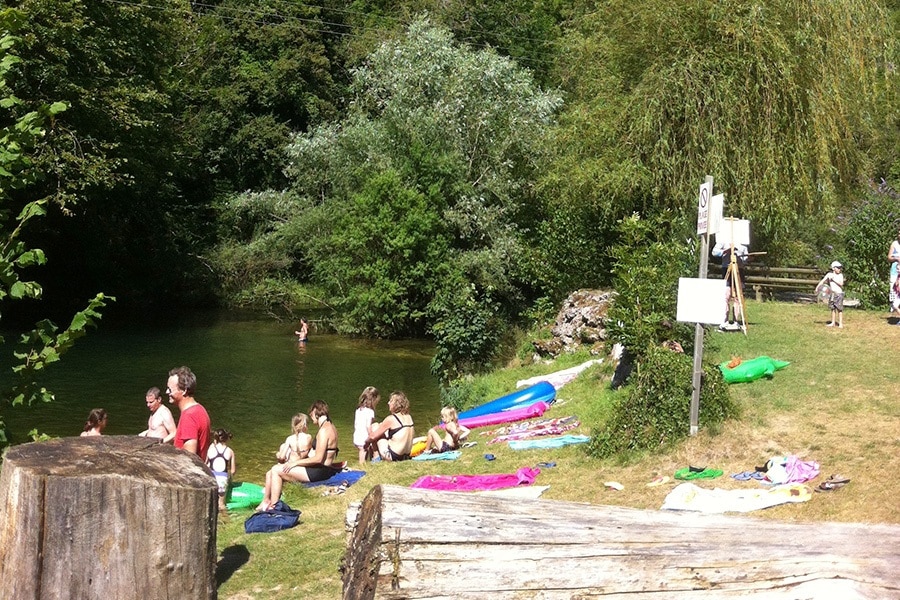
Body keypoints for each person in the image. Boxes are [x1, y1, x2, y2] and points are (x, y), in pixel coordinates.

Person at [256, 400, 341, 511]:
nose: (311, 418)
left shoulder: (324, 431)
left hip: (319, 472)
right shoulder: (330, 426)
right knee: (273, 471)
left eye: (311, 415)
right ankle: (267, 501)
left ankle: (274, 506)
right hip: (321, 469)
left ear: (316, 412)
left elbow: (319, 459)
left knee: (276, 470)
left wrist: (295, 463)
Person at [167, 366, 211, 458]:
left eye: (170, 389)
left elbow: (188, 458)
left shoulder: (189, 416)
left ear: (184, 391)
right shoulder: (200, 409)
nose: (167, 392)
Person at [366, 391, 415, 462]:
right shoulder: (409, 417)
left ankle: (376, 457)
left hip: (392, 456)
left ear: (396, 404)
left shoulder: (391, 419)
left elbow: (372, 437)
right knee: (381, 428)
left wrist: (364, 442)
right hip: (406, 456)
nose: (388, 403)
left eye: (391, 401)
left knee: (375, 425)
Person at [712, 239, 749, 328]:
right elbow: (714, 252)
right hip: (727, 268)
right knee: (726, 296)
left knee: (737, 297)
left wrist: (746, 258)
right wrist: (726, 251)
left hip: (738, 269)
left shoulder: (743, 243)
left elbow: (745, 259)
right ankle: (724, 320)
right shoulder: (723, 240)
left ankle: (736, 321)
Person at [206, 428, 236, 512]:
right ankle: (226, 522)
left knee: (210, 504)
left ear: (215, 439)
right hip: (222, 479)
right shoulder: (230, 451)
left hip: (212, 478)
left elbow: (205, 465)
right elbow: (233, 471)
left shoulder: (211, 450)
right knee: (221, 504)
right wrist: (230, 479)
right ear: (226, 439)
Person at [353, 386, 381, 465]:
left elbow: (356, 423)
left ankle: (366, 464)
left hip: (357, 435)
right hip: (363, 437)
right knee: (363, 451)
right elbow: (368, 426)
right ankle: (362, 466)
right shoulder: (370, 412)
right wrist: (371, 435)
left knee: (363, 451)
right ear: (373, 399)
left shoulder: (358, 410)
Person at [817, 261, 845, 328]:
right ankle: (833, 322)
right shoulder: (829, 274)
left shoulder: (840, 275)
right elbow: (823, 281)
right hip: (832, 293)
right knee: (832, 308)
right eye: (837, 268)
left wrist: (834, 279)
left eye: (840, 268)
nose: (839, 269)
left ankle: (840, 323)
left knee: (839, 309)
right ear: (833, 268)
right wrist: (817, 287)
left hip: (839, 294)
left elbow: (841, 284)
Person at [889, 230, 900, 318]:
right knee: (894, 292)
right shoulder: (894, 244)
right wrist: (896, 258)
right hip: (895, 272)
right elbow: (889, 257)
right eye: (899, 233)